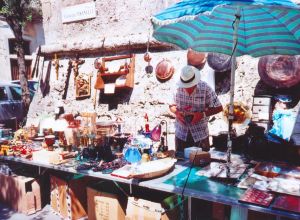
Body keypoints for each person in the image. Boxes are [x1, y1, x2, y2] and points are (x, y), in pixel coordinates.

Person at [169, 65, 223, 152]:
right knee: (181, 162)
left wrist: (202, 115)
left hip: (200, 135)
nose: (188, 89)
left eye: (190, 86)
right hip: (181, 134)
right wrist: (177, 114)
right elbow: (171, 106)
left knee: (201, 163)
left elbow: (219, 107)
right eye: (185, 86)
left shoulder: (205, 88)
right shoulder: (176, 87)